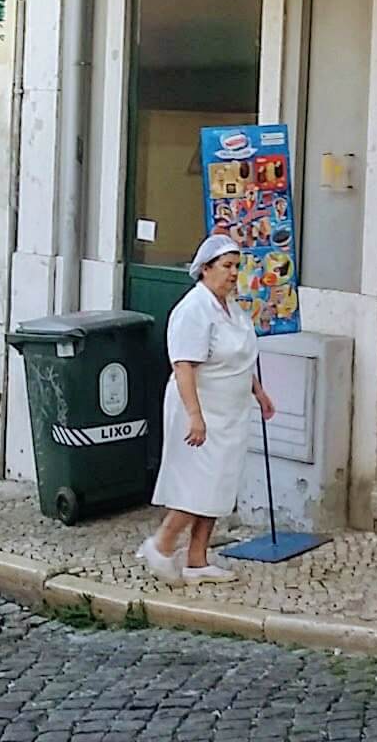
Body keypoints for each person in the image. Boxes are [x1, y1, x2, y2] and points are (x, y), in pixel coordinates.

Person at [136, 234, 274, 583]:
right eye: (226, 267)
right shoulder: (193, 310)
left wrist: (259, 392)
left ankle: (198, 558)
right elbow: (183, 366)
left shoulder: (234, 308)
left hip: (231, 410)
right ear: (205, 269)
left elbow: (241, 357)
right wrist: (195, 416)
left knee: (220, 486)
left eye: (236, 267)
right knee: (198, 484)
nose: (232, 274)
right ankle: (162, 544)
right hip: (201, 409)